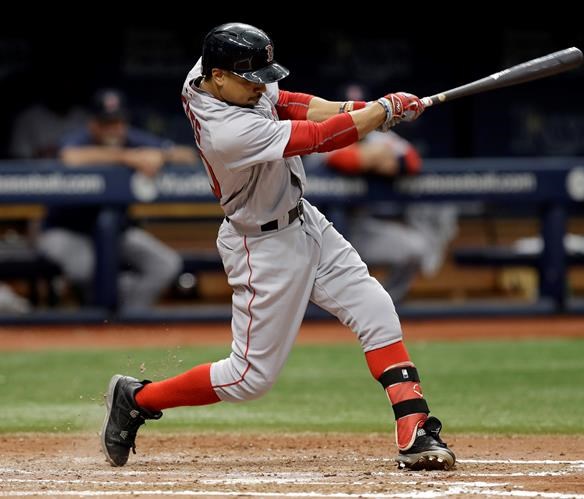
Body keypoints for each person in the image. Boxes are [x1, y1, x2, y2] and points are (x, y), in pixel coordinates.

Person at [100, 22, 455, 472]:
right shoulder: (226, 131)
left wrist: (364, 109)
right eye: (251, 80)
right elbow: (319, 138)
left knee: (375, 307)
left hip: (304, 219)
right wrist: (380, 113)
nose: (260, 87)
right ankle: (137, 398)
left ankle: (414, 427)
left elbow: (288, 102)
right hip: (260, 245)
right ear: (220, 78)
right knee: (249, 379)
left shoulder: (217, 76)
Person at [37, 89, 196, 311]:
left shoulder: (132, 139)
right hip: (65, 230)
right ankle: (99, 320)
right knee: (88, 269)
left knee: (166, 264)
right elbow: (70, 157)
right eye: (106, 123)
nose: (114, 130)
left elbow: (186, 155)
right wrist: (127, 157)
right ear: (93, 124)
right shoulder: (82, 139)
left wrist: (161, 155)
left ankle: (128, 322)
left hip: (115, 232)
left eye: (118, 122)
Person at [313, 85, 457, 302]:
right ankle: (323, 311)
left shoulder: (377, 135)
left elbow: (411, 160)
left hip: (363, 228)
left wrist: (377, 158)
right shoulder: (322, 132)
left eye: (359, 111)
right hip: (321, 234)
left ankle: (384, 304)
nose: (355, 117)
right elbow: (343, 159)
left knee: (414, 249)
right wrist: (371, 158)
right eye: (349, 112)